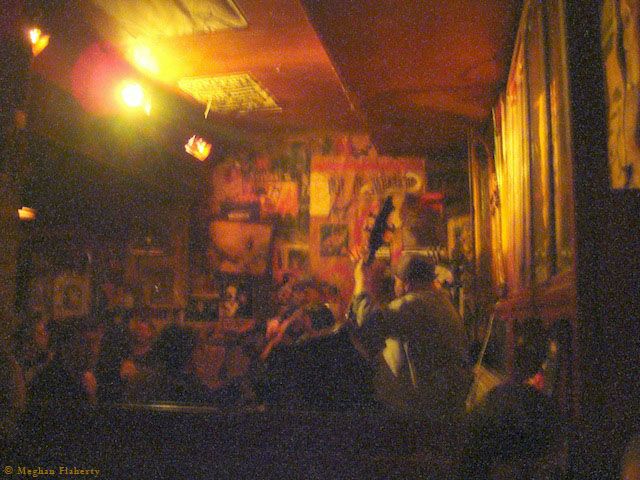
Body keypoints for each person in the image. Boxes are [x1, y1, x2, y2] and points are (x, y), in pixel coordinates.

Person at [349, 252, 472, 425]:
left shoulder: (415, 304)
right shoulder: (438, 300)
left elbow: (367, 323)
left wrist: (361, 282)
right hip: (440, 411)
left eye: (396, 281)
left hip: (422, 419)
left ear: (406, 284)